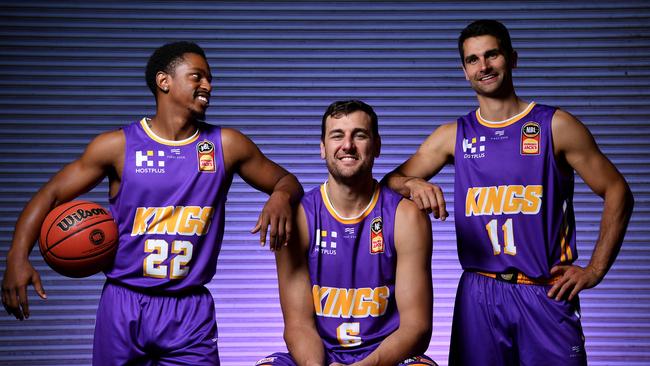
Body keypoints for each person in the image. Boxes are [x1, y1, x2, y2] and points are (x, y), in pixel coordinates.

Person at [1, 41, 303, 365]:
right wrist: (17, 257)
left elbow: (287, 181)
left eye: (210, 78)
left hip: (189, 308)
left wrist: (281, 196)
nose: (208, 86)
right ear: (164, 81)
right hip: (124, 302)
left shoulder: (226, 145)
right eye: (197, 77)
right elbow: (51, 194)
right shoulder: (117, 146)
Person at [384, 20, 634, 365]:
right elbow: (389, 182)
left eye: (492, 55)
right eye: (473, 60)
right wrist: (412, 184)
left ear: (511, 59)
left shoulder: (555, 126)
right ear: (464, 70)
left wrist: (595, 269)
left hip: (544, 290)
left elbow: (617, 190)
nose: (483, 66)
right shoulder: (452, 134)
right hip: (479, 291)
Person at [257, 100, 437, 366]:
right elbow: (298, 325)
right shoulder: (298, 218)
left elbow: (416, 328)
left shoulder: (405, 216)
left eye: (360, 135)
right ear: (322, 148)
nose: (348, 145)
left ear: (377, 146)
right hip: (320, 356)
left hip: (385, 358)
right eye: (337, 136)